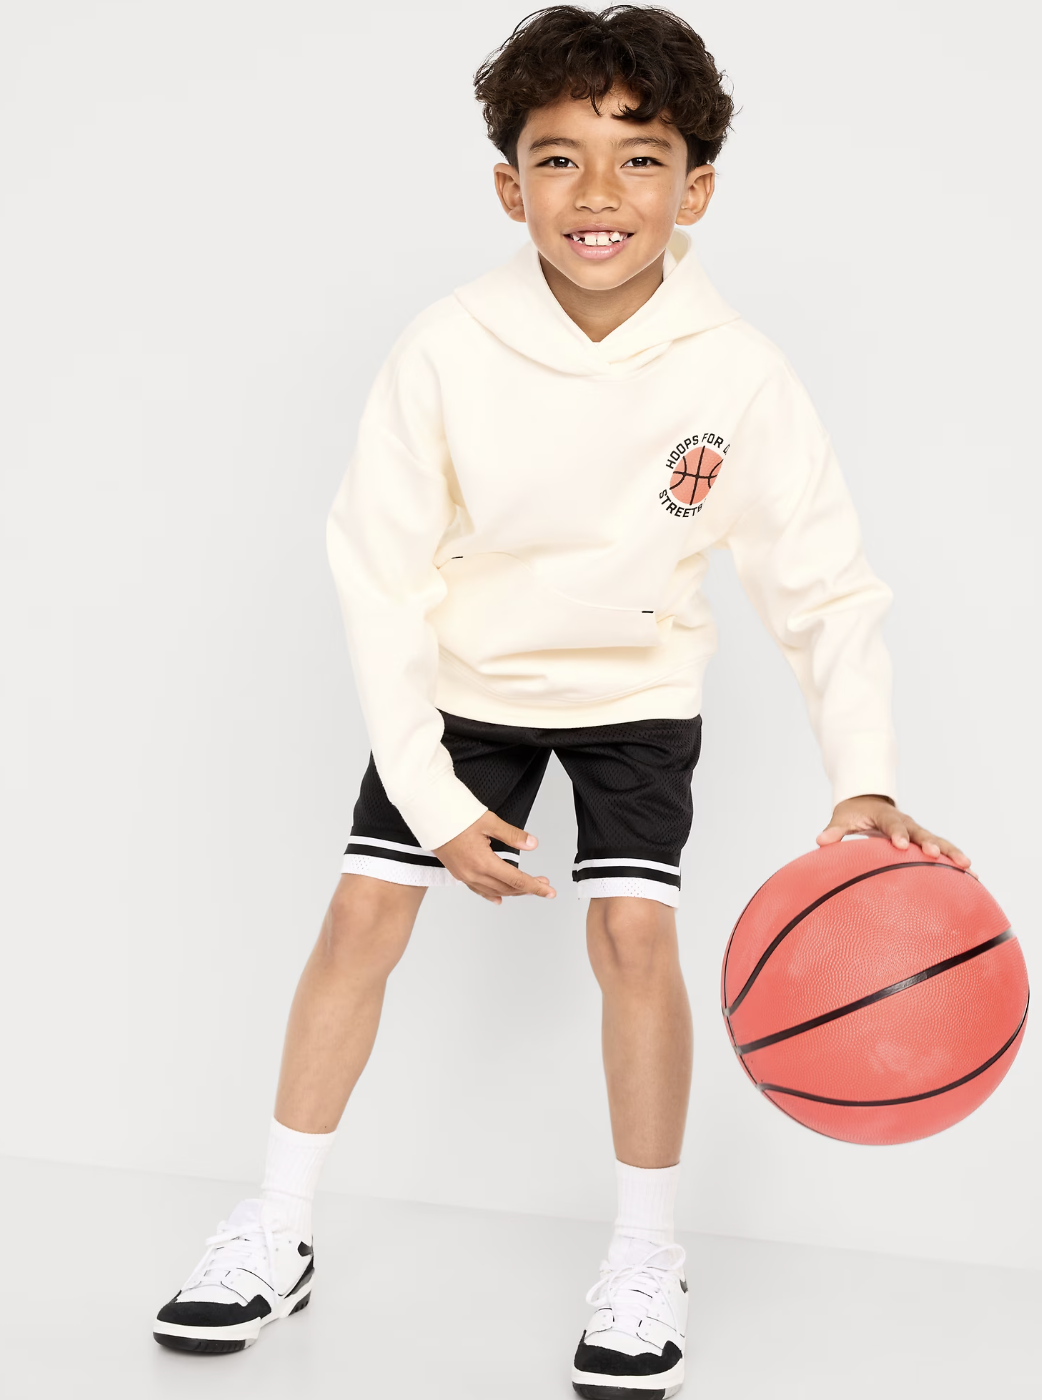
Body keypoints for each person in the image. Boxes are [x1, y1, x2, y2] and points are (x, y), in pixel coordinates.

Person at [152, 6, 970, 1394]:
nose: (599, 193)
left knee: (634, 938)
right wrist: (432, 798)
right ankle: (276, 1227)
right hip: (468, 687)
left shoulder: (739, 373)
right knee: (361, 915)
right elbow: (378, 579)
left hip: (635, 688)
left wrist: (864, 779)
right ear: (507, 185)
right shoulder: (447, 345)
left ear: (694, 189)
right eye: (558, 158)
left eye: (639, 158)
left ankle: (646, 1253)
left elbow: (825, 587)